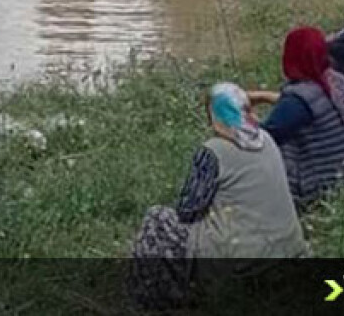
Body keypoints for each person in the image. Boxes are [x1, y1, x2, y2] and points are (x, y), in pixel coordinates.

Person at [130, 83, 307, 308]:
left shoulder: (213, 151)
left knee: (157, 219)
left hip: (242, 263)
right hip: (289, 252)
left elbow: (188, 210)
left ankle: (157, 300)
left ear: (216, 116)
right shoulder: (266, 138)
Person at [251, 27, 344, 207]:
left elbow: (262, 139)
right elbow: (316, 104)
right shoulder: (340, 81)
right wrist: (264, 96)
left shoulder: (298, 101)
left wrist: (245, 117)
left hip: (320, 188)